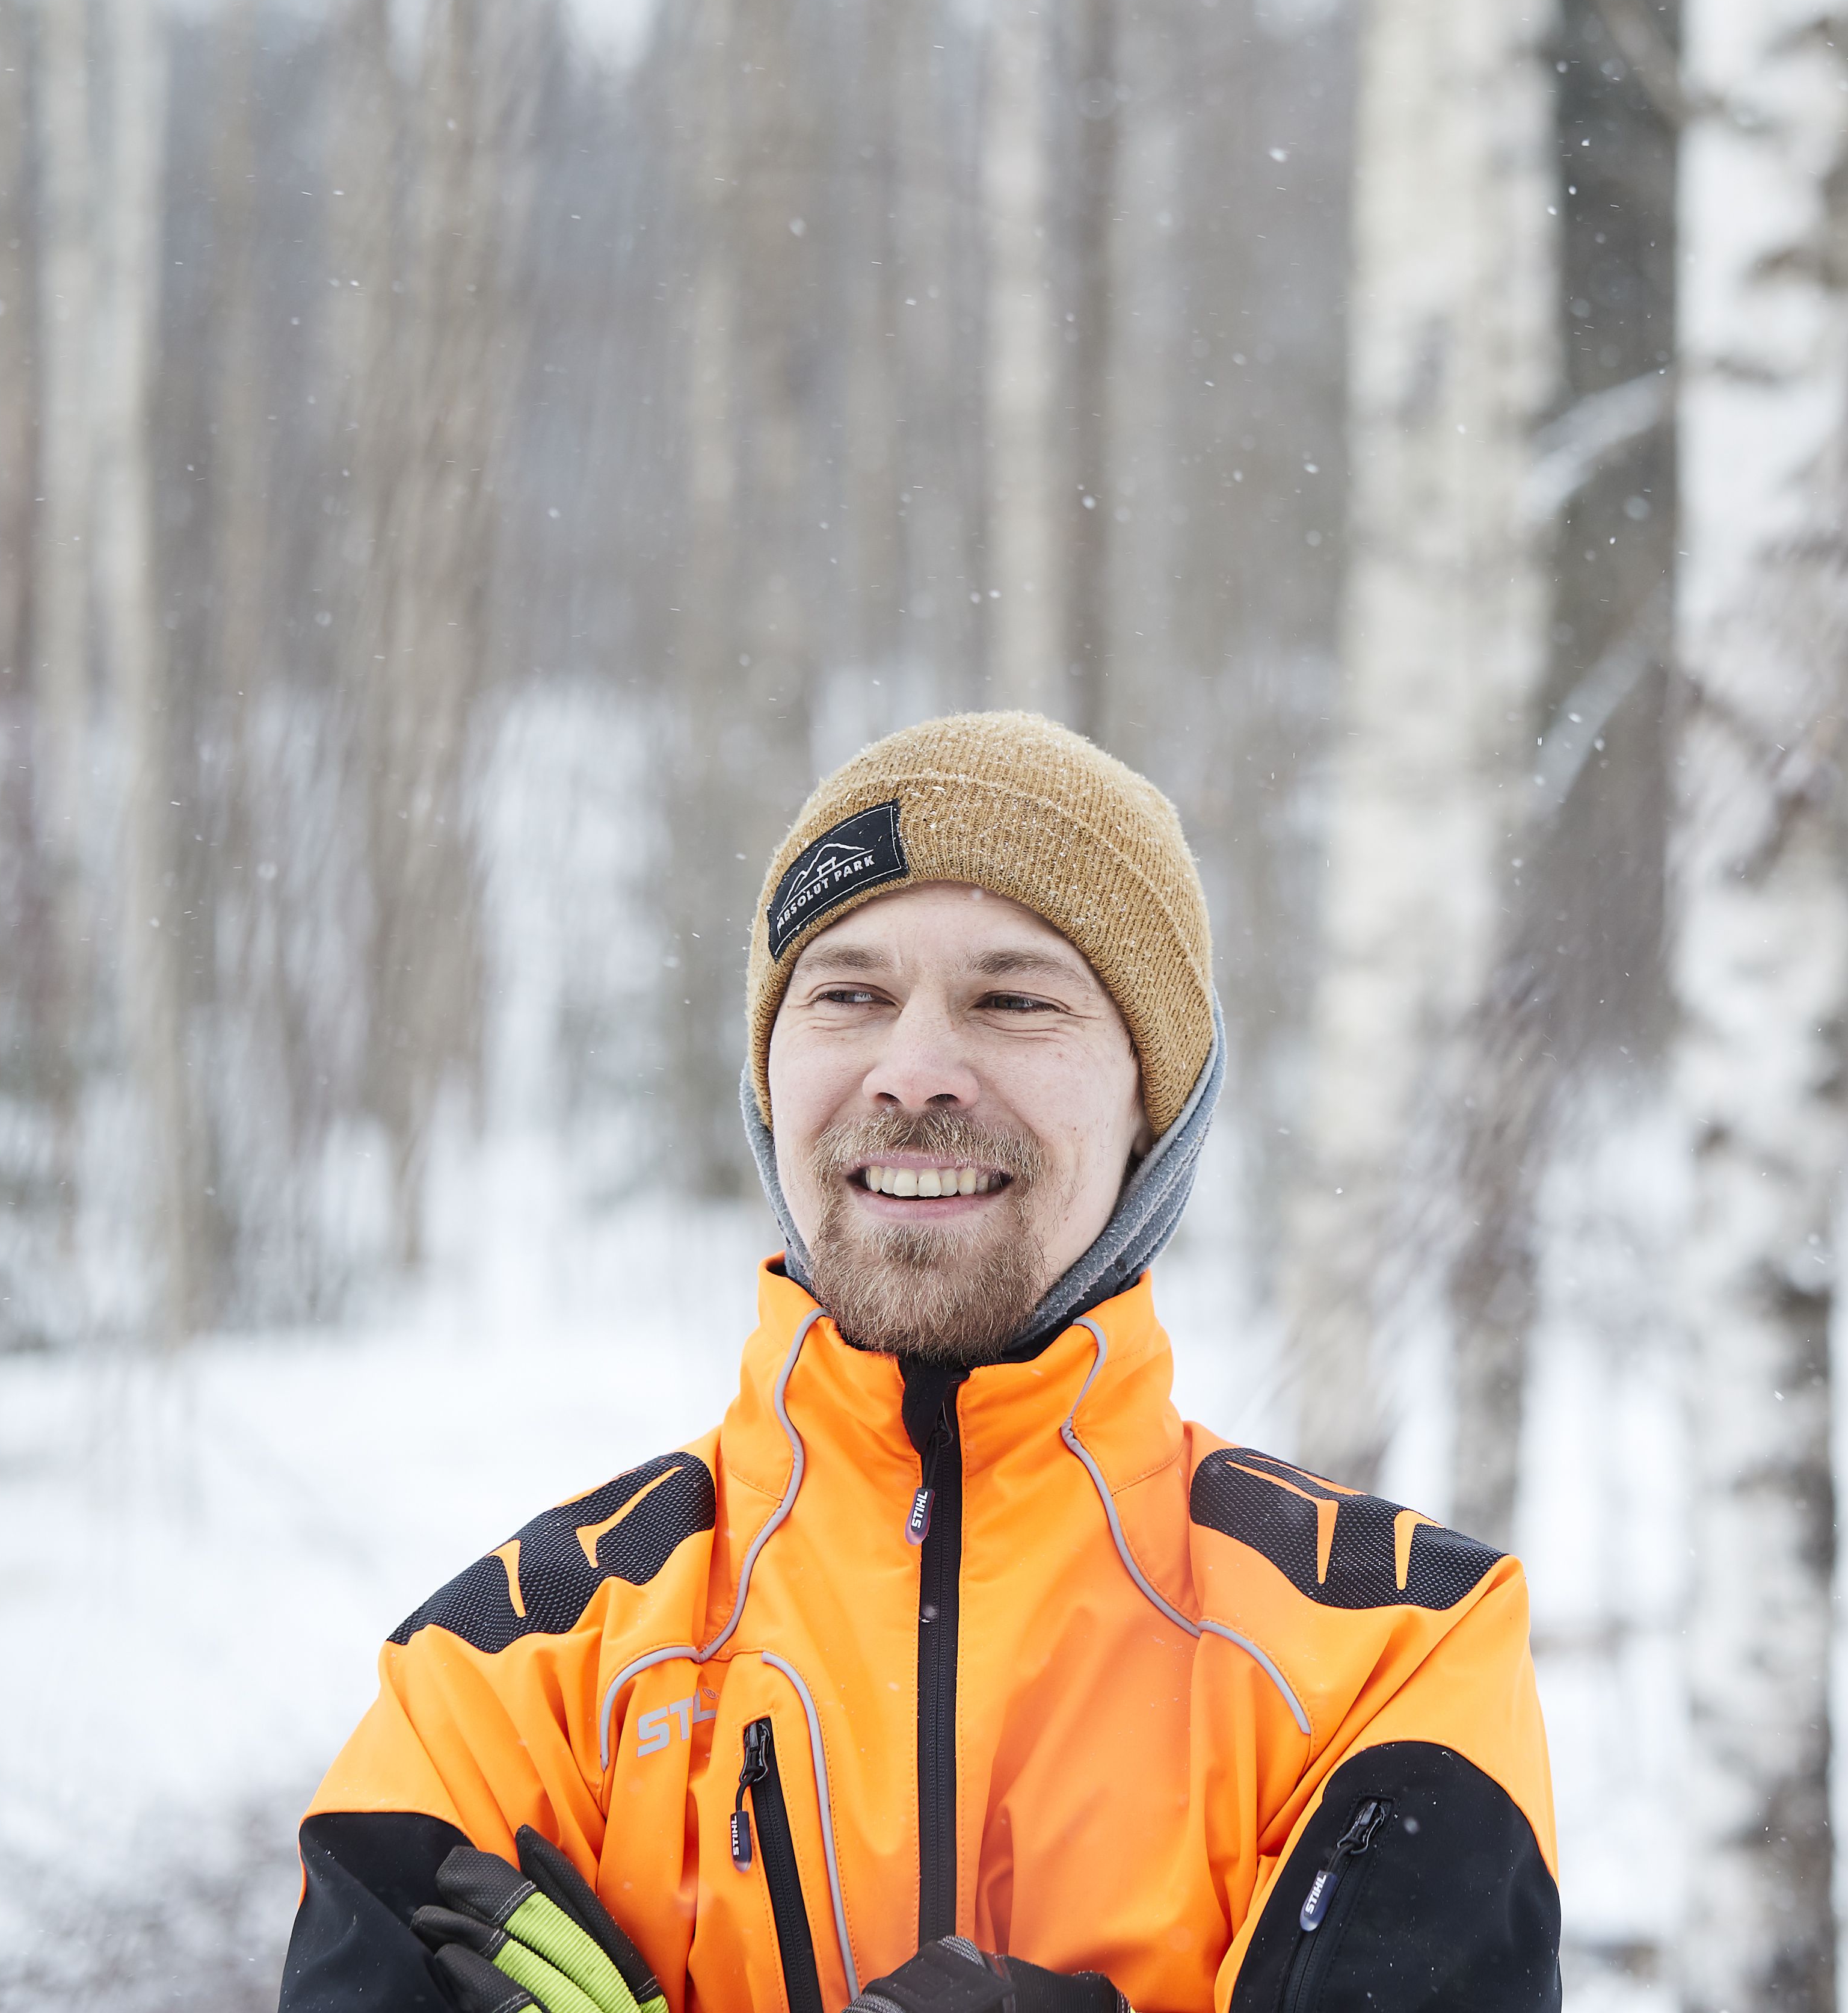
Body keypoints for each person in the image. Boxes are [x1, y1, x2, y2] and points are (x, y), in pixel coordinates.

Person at [280, 714, 1559, 2013]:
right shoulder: (514, 1666)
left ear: (1153, 1105)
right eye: (849, 996)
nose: (914, 1072)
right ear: (769, 1081)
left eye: (1014, 999)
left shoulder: (1390, 1651)